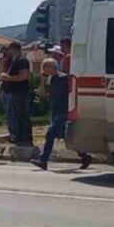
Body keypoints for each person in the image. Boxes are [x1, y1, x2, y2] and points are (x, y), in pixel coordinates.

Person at [58, 39, 92, 169]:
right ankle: (83, 155)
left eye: (62, 45)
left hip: (65, 96)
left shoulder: (67, 58)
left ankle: (84, 155)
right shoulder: (76, 57)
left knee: (60, 128)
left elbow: (67, 76)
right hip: (71, 95)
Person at [34, 57, 69, 170]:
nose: (44, 70)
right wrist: (43, 81)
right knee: (64, 135)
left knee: (50, 133)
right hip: (55, 110)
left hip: (63, 110)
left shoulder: (64, 78)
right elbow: (44, 94)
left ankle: (43, 160)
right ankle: (85, 156)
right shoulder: (50, 79)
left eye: (45, 67)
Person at [0, 42, 32, 146]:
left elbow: (24, 76)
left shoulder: (21, 60)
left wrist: (8, 78)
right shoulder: (15, 61)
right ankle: (19, 136)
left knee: (22, 115)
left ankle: (25, 137)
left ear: (13, 49)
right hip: (14, 92)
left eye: (9, 49)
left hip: (20, 92)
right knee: (16, 115)